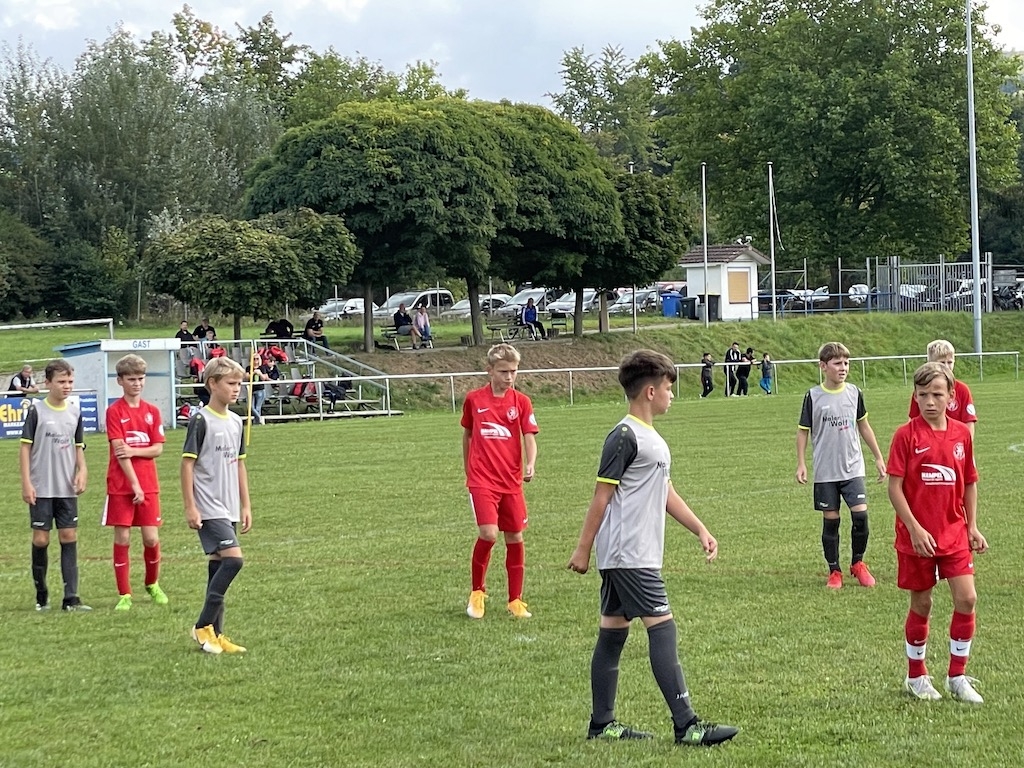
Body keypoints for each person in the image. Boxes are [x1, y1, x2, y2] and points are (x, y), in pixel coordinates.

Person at [567, 350, 738, 747]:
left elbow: (665, 492)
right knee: (663, 628)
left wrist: (699, 528)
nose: (671, 395)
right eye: (668, 388)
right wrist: (582, 549)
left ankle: (602, 723)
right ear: (649, 391)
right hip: (629, 553)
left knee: (613, 633)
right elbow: (601, 496)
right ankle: (687, 724)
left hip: (630, 554)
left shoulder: (651, 439)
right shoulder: (624, 436)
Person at [888, 362, 986, 703]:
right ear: (915, 396)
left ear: (951, 396)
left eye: (937, 394)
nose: (930, 401)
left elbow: (969, 482)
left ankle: (957, 676)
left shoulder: (961, 435)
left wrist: (972, 526)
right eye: (923, 394)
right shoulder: (906, 435)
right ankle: (916, 676)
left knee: (967, 598)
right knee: (922, 602)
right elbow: (894, 488)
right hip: (917, 538)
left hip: (953, 531)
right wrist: (914, 529)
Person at [796, 342, 887, 589]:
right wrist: (801, 463)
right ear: (823, 366)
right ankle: (834, 571)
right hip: (826, 471)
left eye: (846, 363)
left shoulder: (855, 393)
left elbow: (864, 426)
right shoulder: (813, 396)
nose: (843, 367)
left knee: (861, 515)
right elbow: (803, 431)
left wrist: (878, 457)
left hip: (853, 468)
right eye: (837, 363)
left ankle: (858, 563)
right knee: (831, 520)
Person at [462, 343, 538, 620]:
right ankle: (477, 592)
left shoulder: (521, 402)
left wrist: (530, 463)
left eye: (514, 371)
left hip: (511, 481)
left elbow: (529, 436)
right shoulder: (474, 399)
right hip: (482, 480)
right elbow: (468, 434)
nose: (509, 377)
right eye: (504, 371)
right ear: (490, 370)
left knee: (515, 536)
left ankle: (515, 600)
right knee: (489, 534)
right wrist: (469, 470)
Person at [181, 357, 252, 654]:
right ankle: (202, 625)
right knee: (234, 560)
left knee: (218, 565)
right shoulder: (201, 420)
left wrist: (245, 505)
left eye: (239, 384)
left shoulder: (236, 421)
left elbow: (239, 465)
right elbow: (187, 465)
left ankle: (216, 634)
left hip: (229, 504)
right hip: (208, 505)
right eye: (231, 383)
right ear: (212, 383)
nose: (237, 389)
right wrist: (190, 506)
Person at [19, 359, 91, 612]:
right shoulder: (36, 411)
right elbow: (25, 449)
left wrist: (82, 470)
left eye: (70, 381)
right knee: (41, 539)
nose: (66, 386)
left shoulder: (75, 412)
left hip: (66, 487)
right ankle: (42, 595)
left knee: (68, 535)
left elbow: (78, 447)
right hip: (41, 486)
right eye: (61, 381)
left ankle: (71, 598)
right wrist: (26, 482)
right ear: (47, 383)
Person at [103, 354, 168, 611]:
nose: (137, 383)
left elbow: (157, 449)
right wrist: (134, 485)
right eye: (131, 379)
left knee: (151, 538)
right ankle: (124, 594)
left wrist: (134, 451)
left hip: (149, 484)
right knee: (123, 537)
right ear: (120, 381)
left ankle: (152, 583)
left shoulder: (152, 412)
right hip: (121, 486)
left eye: (141, 378)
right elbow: (120, 452)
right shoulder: (114, 412)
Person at [908, 339, 976, 438]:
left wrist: (966, 444)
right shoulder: (922, 391)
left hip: (955, 442)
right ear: (930, 363)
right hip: (927, 442)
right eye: (942, 362)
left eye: (950, 362)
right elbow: (913, 421)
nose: (947, 367)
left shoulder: (962, 390)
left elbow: (969, 422)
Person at [246, 357, 271, 425]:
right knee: (251, 407)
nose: (255, 360)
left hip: (260, 390)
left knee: (257, 407)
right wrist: (253, 373)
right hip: (251, 390)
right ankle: (260, 419)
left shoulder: (262, 368)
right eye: (254, 358)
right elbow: (246, 377)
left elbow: (264, 378)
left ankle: (256, 422)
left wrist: (260, 373)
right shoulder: (248, 368)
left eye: (257, 358)